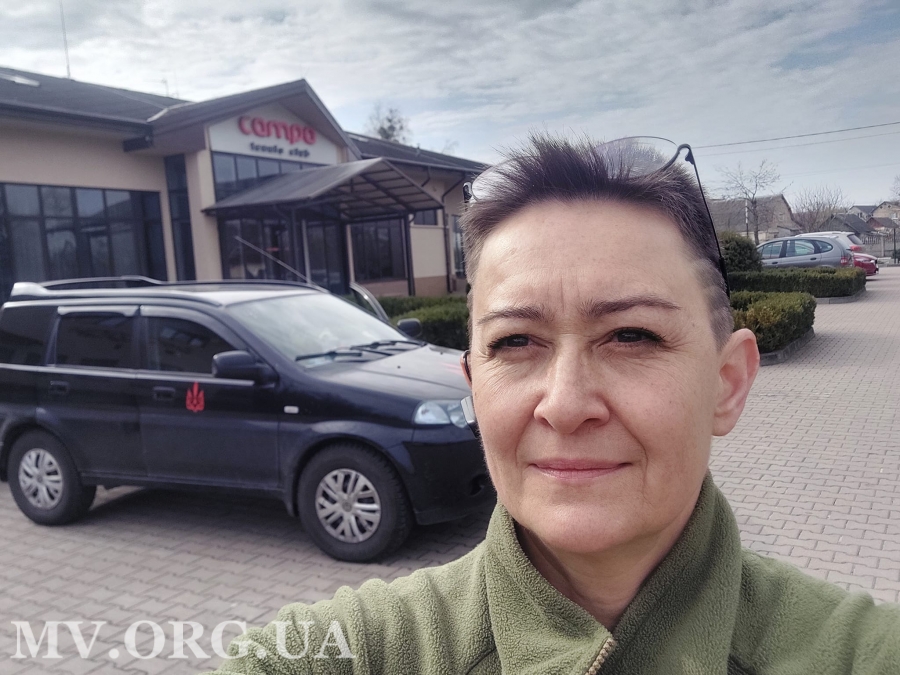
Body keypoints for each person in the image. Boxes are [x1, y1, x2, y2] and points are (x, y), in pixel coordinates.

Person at [208, 134, 900, 674]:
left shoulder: (857, 654)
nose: (565, 406)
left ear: (728, 383)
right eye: (515, 342)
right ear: (474, 384)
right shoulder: (354, 652)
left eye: (632, 335)